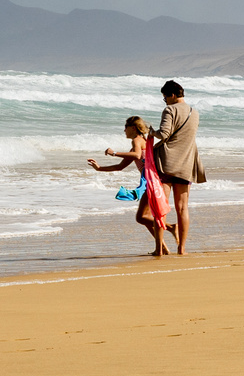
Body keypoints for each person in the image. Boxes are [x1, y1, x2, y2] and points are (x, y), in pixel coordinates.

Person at [87, 116, 172, 257]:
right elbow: (120, 167)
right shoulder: (139, 142)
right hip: (152, 181)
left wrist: (114, 153)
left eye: (125, 127)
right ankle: (162, 248)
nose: (124, 130)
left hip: (151, 181)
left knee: (141, 217)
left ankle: (170, 228)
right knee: (144, 218)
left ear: (133, 128)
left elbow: (137, 155)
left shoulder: (137, 140)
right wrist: (99, 168)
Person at [151, 79, 206, 254]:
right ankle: (181, 248)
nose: (165, 101)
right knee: (182, 207)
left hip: (167, 163)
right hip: (186, 164)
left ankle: (159, 249)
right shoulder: (194, 112)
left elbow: (164, 134)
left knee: (162, 207)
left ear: (172, 95)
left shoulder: (170, 109)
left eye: (165, 97)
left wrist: (151, 132)